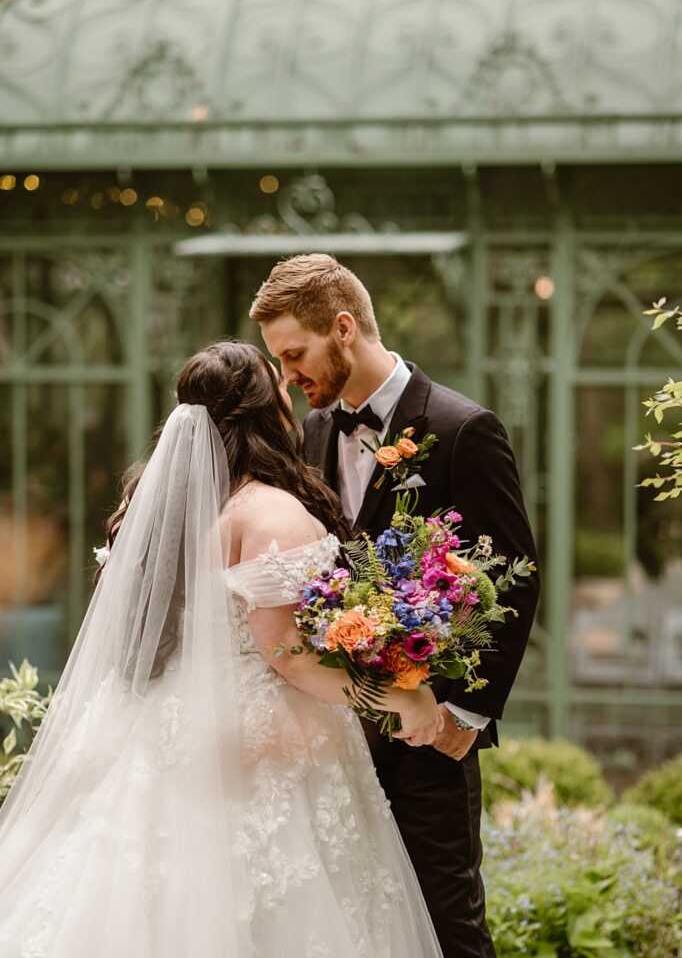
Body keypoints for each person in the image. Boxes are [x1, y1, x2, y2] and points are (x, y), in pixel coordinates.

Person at [0, 341, 445, 958]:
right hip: (262, 737)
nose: (292, 396)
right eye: (280, 389)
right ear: (265, 412)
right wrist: (398, 697)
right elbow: (288, 654)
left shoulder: (158, 507)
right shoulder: (271, 513)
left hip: (165, 719)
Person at [250, 255, 541, 958]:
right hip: (337, 742)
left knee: (448, 928)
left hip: (428, 739)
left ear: (343, 328)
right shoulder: (314, 432)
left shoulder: (463, 428)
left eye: (294, 354)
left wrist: (463, 714)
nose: (287, 375)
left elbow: (514, 577)